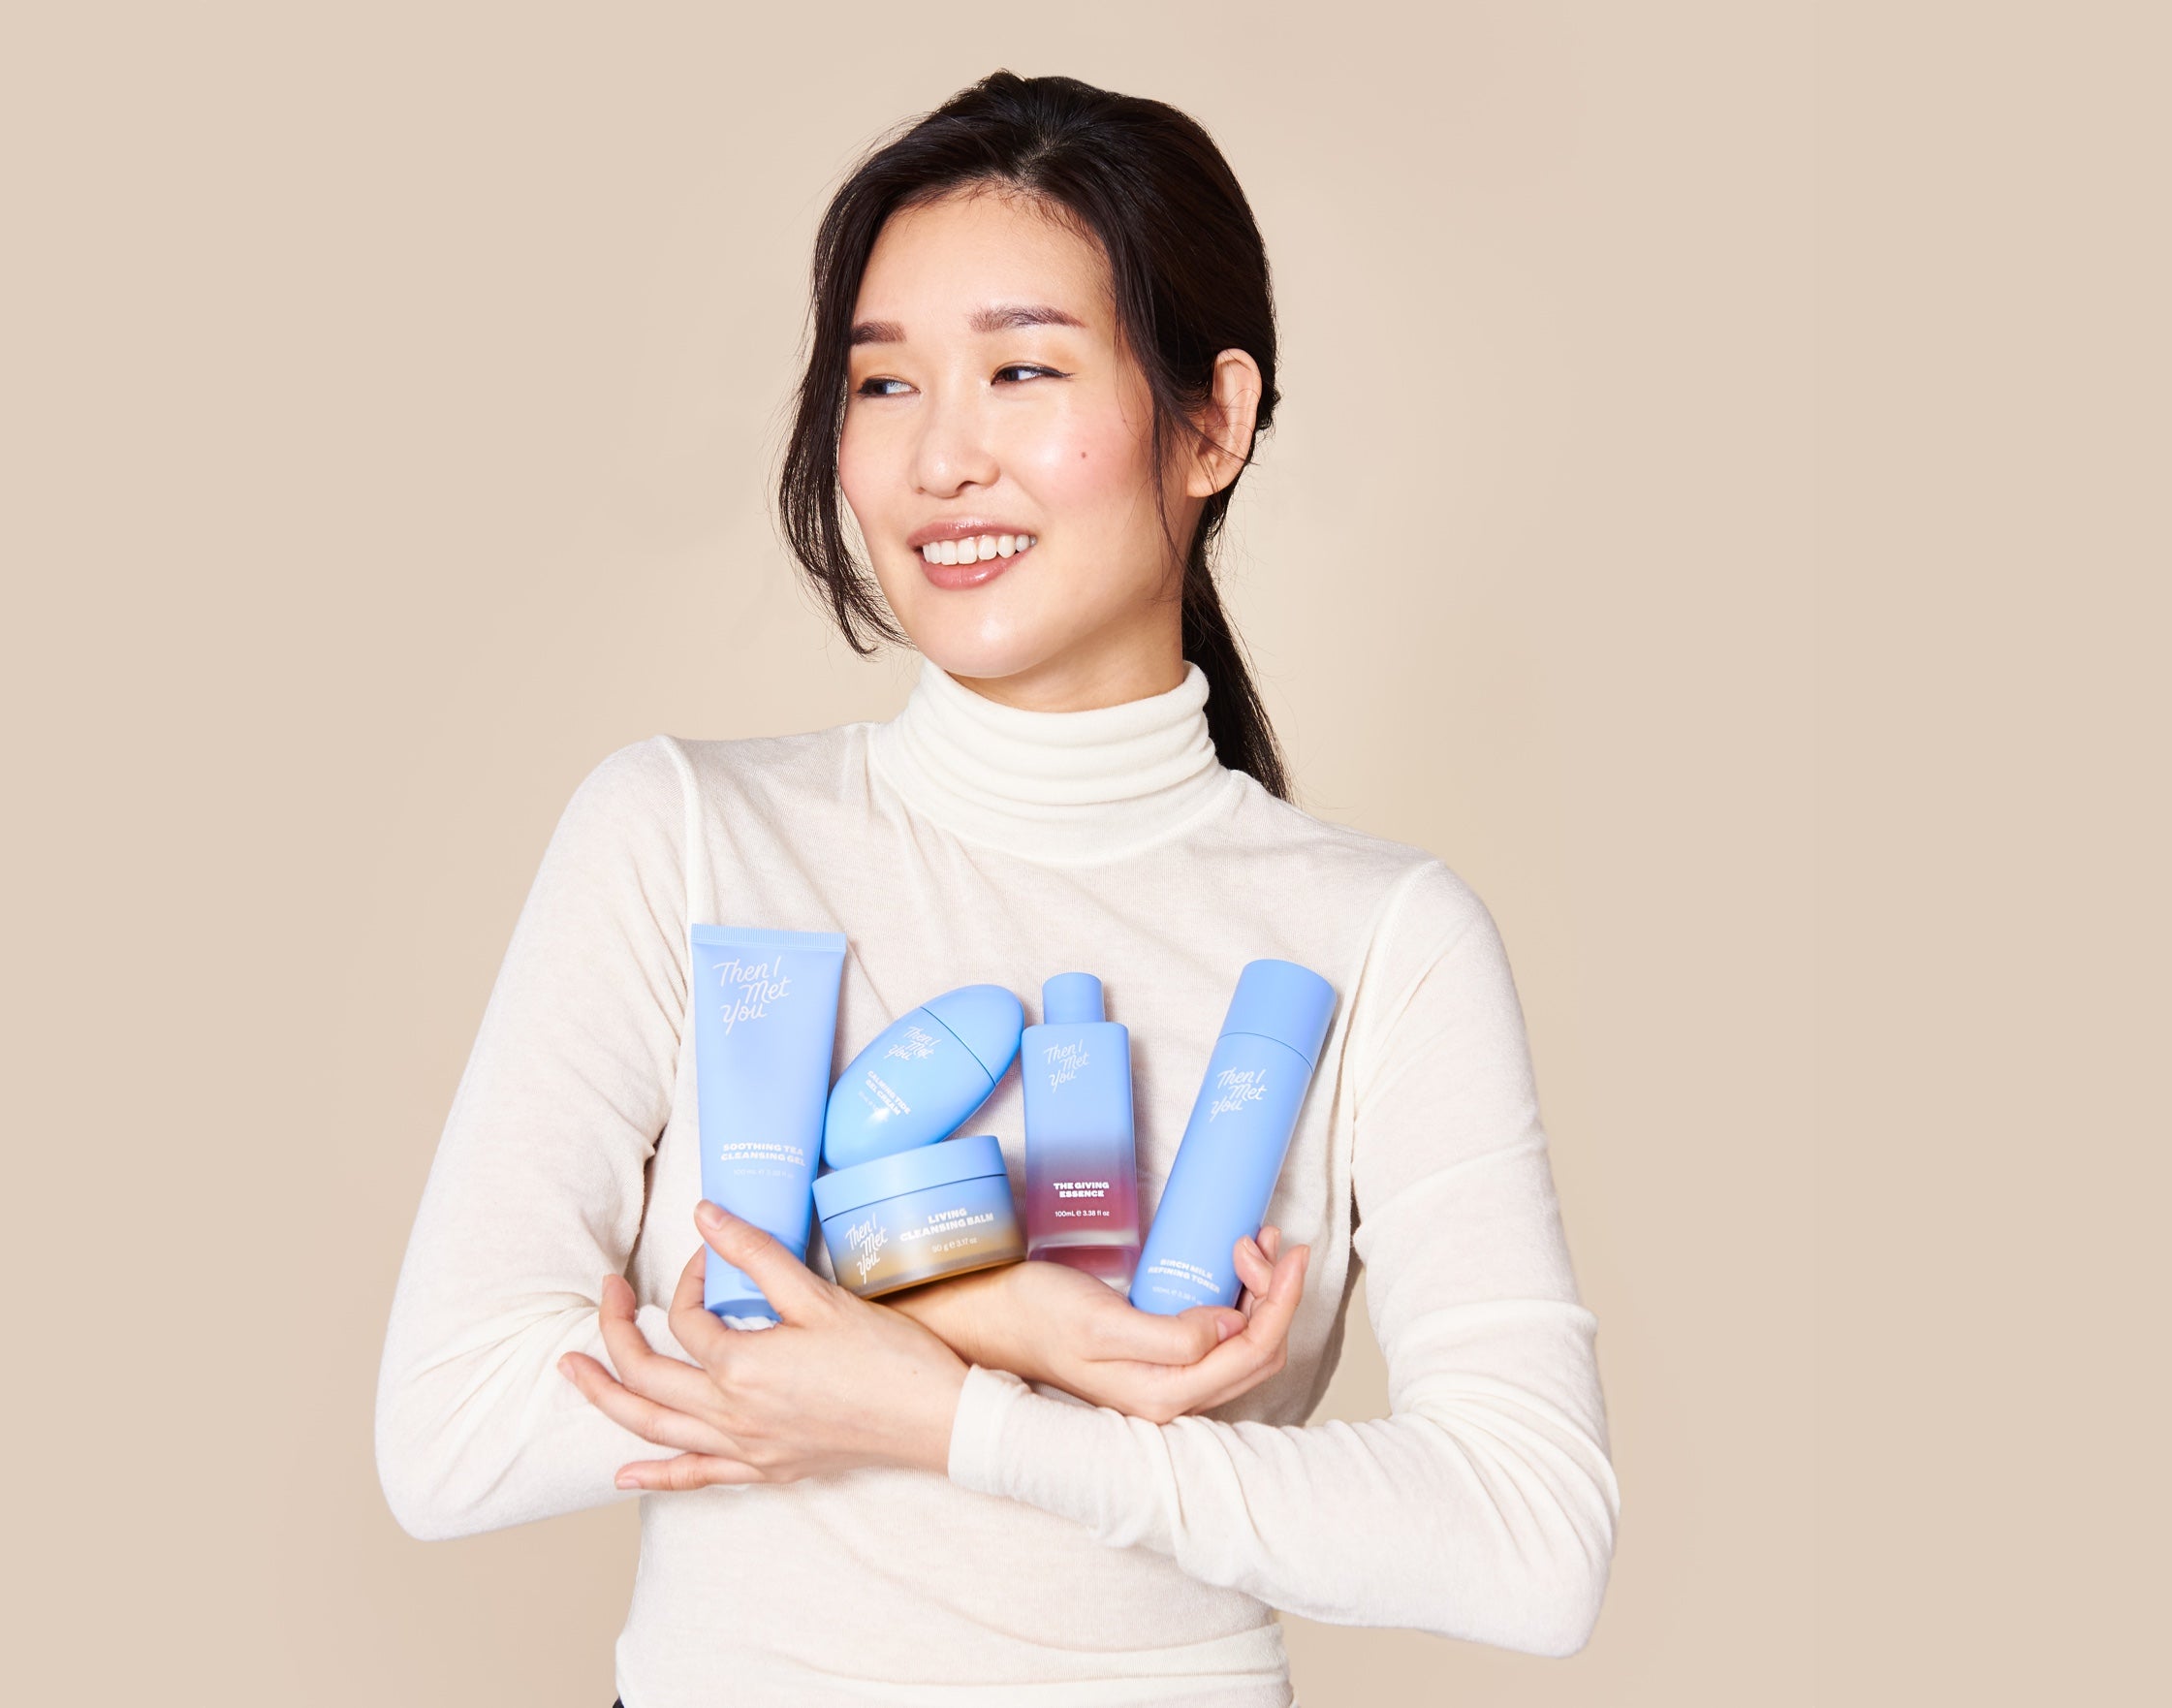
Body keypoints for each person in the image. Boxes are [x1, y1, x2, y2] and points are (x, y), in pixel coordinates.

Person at [374, 70, 1618, 1708]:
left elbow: (1529, 1540)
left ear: (1211, 422)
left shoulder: (1380, 936)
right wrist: (998, 1318)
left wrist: (951, 1417)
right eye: (881, 384)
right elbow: (450, 1435)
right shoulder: (683, 832)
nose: (939, 458)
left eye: (1023, 369)